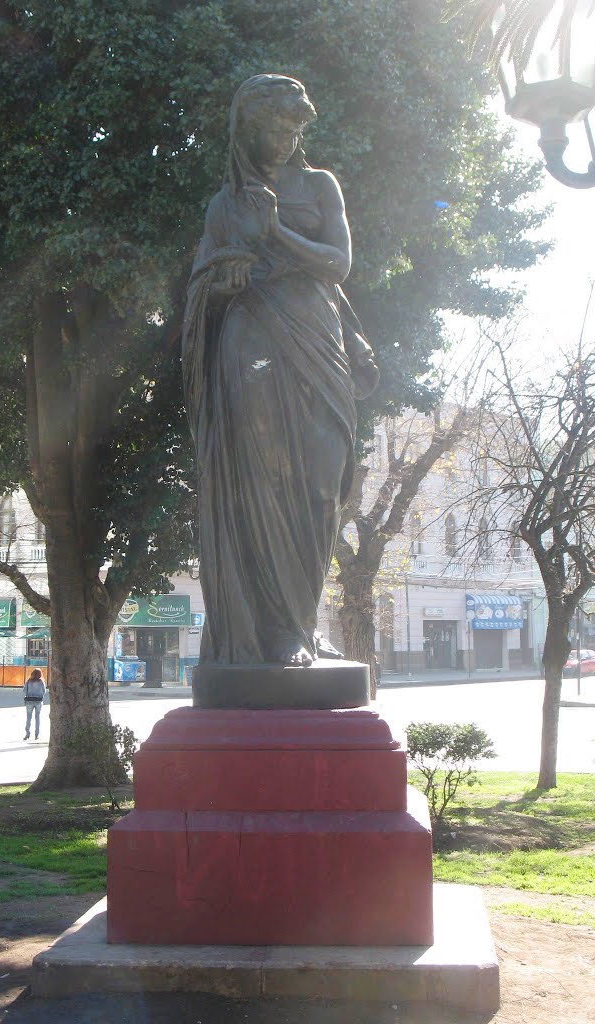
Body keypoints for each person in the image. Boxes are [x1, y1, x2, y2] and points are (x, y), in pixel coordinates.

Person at [183, 74, 378, 668]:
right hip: (251, 341)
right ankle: (283, 634)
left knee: (324, 479)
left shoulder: (320, 186)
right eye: (275, 128)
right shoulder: (225, 204)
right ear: (247, 129)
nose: (287, 140)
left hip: (318, 337)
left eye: (296, 130)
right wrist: (225, 280)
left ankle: (301, 620)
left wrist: (276, 233)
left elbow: (339, 265)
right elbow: (202, 291)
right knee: (262, 480)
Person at [22, 668, 46, 741]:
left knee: (29, 717)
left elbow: (24, 690)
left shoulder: (29, 681)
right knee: (37, 717)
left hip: (29, 701)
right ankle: (36, 734)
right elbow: (44, 691)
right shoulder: (41, 682)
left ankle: (27, 733)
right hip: (38, 701)